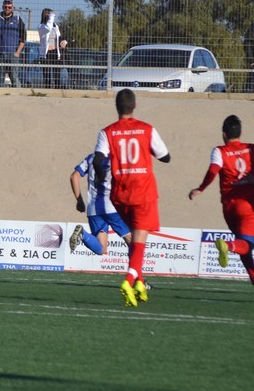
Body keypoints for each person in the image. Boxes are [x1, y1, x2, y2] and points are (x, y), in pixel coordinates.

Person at [93, 89, 170, 307]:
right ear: (134, 106)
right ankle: (129, 281)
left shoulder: (107, 132)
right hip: (143, 192)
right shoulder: (147, 129)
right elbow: (165, 157)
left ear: (116, 107)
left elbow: (98, 160)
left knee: (135, 239)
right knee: (139, 241)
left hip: (120, 195)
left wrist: (101, 179)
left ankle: (140, 283)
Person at [188, 115, 254, 285]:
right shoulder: (251, 149)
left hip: (229, 207)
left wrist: (200, 188)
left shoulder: (219, 151)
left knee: (243, 245)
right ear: (240, 133)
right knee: (247, 244)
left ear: (224, 134)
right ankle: (228, 246)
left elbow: (213, 170)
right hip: (247, 205)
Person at [69, 153, 134, 255]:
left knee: (101, 249)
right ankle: (135, 265)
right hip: (112, 207)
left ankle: (83, 234)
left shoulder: (91, 158)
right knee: (132, 240)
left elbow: (74, 176)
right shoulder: (117, 158)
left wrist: (79, 201)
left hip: (93, 209)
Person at [0, 0, 27, 88]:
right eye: (5, 7)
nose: (7, 9)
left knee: (14, 78)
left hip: (13, 54)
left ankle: (17, 94)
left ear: (13, 7)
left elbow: (23, 38)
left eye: (9, 7)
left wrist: (17, 52)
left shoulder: (18, 20)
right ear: (2, 7)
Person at [37, 8, 68, 89]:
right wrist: (50, 17)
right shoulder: (42, 26)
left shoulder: (55, 26)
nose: (52, 17)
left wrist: (64, 41)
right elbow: (48, 28)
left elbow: (59, 36)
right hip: (46, 53)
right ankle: (47, 90)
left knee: (57, 74)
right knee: (47, 75)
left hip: (55, 52)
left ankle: (57, 90)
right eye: (50, 15)